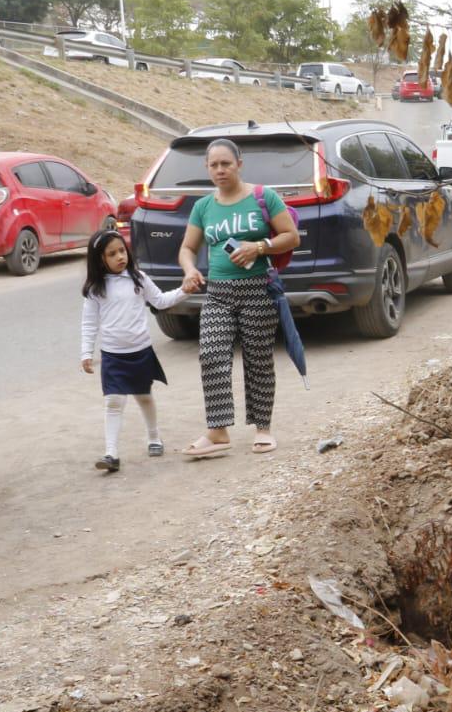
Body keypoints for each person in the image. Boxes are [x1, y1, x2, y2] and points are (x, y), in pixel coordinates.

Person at [177, 138, 301, 458]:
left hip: (256, 288)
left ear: (239, 164)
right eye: (213, 165)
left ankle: (263, 429)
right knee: (212, 355)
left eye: (226, 164)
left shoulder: (263, 197)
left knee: (258, 360)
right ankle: (218, 431)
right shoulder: (204, 207)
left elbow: (291, 237)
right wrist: (190, 270)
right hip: (217, 293)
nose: (220, 170)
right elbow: (187, 248)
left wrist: (258, 247)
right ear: (207, 168)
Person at [80, 229, 197, 472]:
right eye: (112, 254)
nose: (120, 256)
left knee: (144, 397)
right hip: (113, 354)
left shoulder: (138, 279)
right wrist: (86, 353)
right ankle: (111, 453)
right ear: (99, 259)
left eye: (122, 250)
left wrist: (185, 290)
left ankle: (154, 437)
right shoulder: (95, 289)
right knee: (113, 401)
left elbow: (161, 301)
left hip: (140, 351)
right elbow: (89, 323)